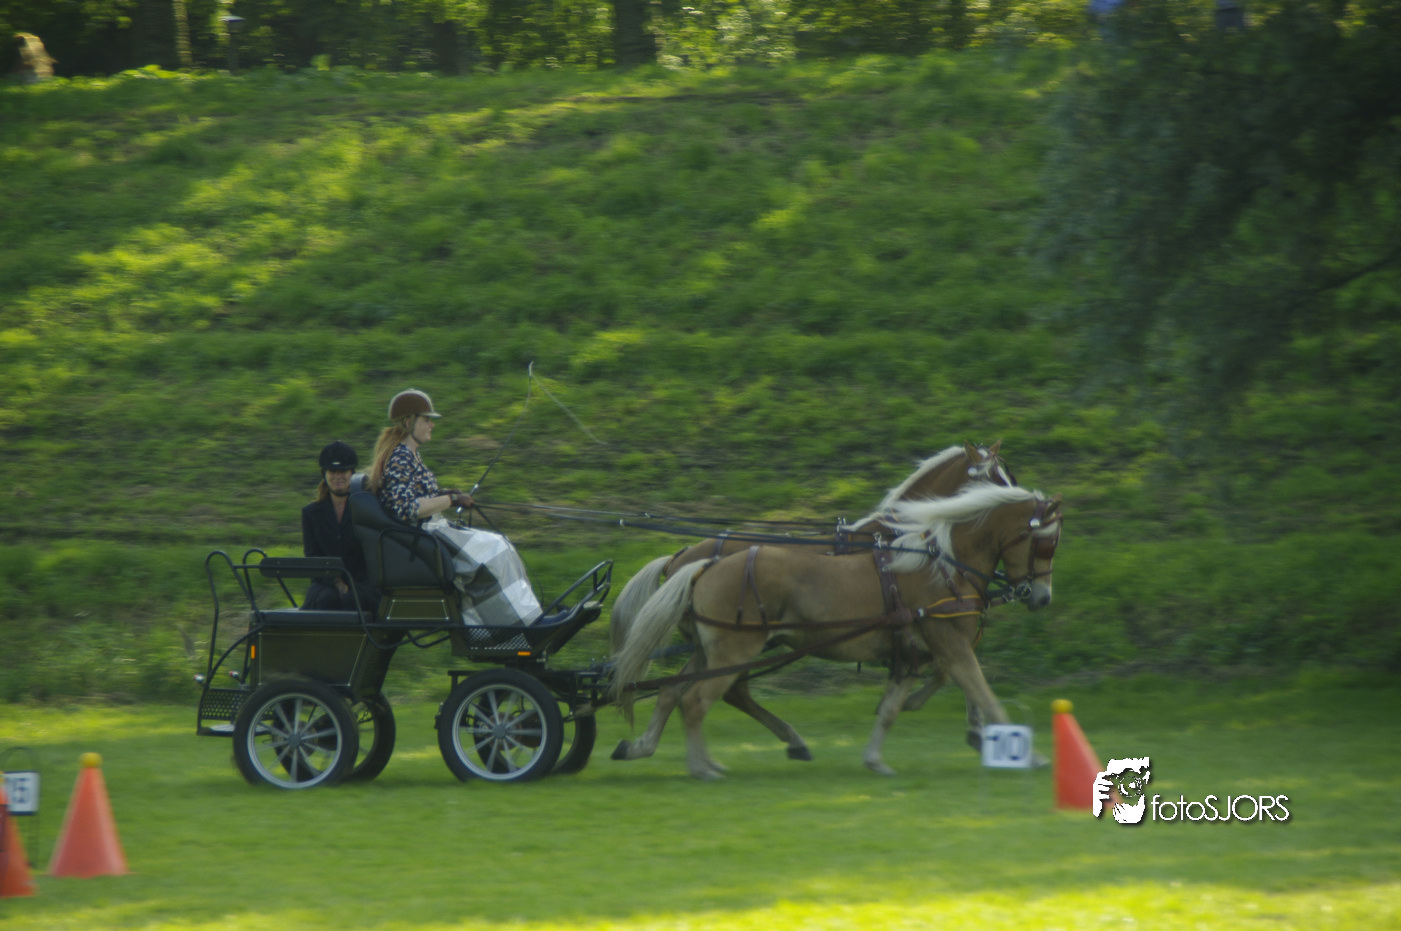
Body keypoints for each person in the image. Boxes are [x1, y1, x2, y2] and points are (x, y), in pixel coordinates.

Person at [370, 389, 542, 626]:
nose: (432, 425)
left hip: (433, 531)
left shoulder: (410, 454)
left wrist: (447, 494)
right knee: (496, 551)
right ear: (409, 422)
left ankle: (525, 616)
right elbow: (407, 508)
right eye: (426, 420)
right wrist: (451, 500)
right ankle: (516, 624)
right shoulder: (401, 457)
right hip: (425, 536)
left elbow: (419, 495)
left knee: (503, 546)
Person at [301, 441, 379, 614]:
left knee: (353, 600)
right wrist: (335, 581)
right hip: (325, 583)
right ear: (324, 475)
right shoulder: (311, 514)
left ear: (352, 474)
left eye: (343, 471)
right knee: (326, 599)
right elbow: (312, 557)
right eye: (332, 472)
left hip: (362, 584)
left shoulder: (368, 509)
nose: (338, 477)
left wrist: (351, 584)